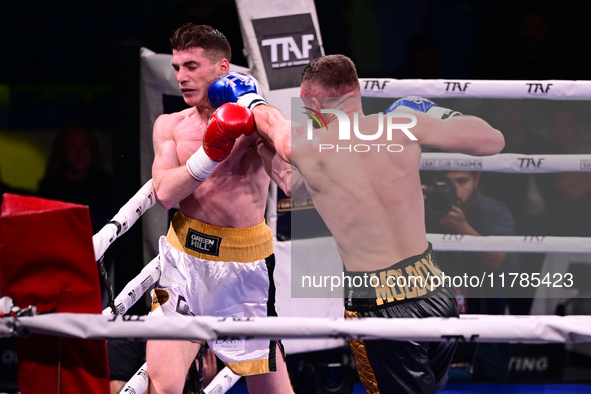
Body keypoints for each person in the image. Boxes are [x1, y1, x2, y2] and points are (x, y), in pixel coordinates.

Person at [208, 55, 505, 393]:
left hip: (379, 303)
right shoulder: (404, 123)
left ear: (312, 99)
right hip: (435, 289)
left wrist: (249, 99)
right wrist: (437, 112)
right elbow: (494, 140)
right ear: (356, 90)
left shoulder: (308, 144)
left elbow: (275, 128)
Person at [147, 23, 294, 394]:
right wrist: (210, 153)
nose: (181, 77)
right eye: (177, 67)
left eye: (192, 66)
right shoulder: (170, 125)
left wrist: (256, 108)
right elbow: (164, 192)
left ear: (223, 68)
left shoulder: (253, 122)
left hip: (243, 269)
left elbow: (293, 180)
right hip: (182, 258)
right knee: (162, 388)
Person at [425, 170, 520, 380]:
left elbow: (498, 260)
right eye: (447, 182)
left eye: (462, 181)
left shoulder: (493, 211)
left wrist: (463, 228)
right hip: (428, 333)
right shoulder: (420, 206)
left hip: (483, 343)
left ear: (477, 180)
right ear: (434, 180)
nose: (455, 189)